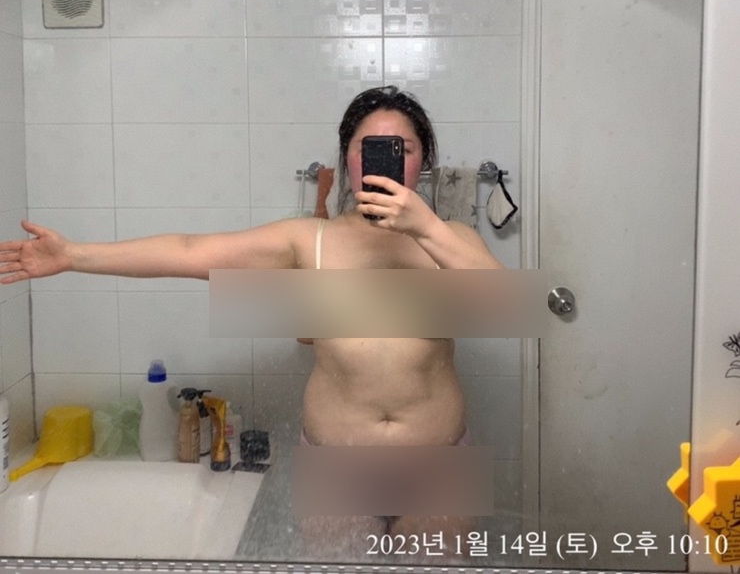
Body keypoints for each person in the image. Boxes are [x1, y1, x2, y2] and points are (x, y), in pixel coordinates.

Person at [0, 85, 502, 559]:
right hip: (334, 468)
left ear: (423, 161)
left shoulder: (451, 239)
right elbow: (189, 251)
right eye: (366, 147)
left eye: (402, 149)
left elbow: (503, 305)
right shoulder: (309, 241)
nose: (384, 160)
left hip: (441, 467)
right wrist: (74, 255)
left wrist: (424, 226)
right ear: (347, 158)